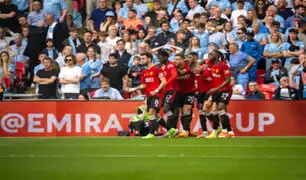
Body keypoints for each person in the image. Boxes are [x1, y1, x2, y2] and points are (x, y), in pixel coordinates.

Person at [127, 52, 167, 139]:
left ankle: (151, 134)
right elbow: (143, 85)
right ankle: (170, 129)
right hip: (149, 96)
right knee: (154, 115)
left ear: (149, 59)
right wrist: (133, 89)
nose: (142, 60)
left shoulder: (157, 69)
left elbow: (164, 81)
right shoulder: (144, 72)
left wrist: (156, 90)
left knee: (152, 112)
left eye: (143, 58)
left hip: (157, 94)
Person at [206, 50, 234, 138]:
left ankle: (225, 131)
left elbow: (228, 80)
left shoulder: (223, 65)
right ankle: (227, 131)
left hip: (226, 90)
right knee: (216, 110)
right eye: (209, 53)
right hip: (216, 91)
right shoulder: (209, 63)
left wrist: (216, 88)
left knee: (221, 107)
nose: (209, 55)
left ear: (217, 55)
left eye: (211, 54)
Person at [158, 49, 180, 137]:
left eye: (160, 58)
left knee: (166, 108)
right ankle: (172, 130)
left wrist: (166, 83)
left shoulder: (170, 65)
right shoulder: (163, 66)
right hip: (167, 90)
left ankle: (172, 129)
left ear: (165, 57)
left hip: (173, 89)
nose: (159, 60)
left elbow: (175, 75)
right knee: (171, 110)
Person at [174, 53, 196, 137]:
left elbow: (182, 72)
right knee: (182, 113)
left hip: (190, 92)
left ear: (183, 60)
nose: (175, 61)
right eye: (175, 59)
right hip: (179, 92)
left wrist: (173, 66)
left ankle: (185, 131)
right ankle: (187, 131)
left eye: (178, 59)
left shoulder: (189, 65)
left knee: (187, 110)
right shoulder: (174, 66)